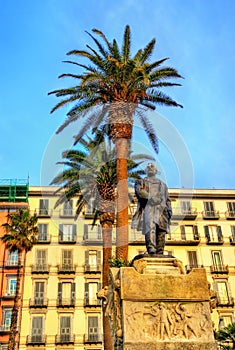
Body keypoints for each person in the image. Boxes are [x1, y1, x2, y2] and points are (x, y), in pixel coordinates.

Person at [131, 163, 172, 254]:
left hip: (162, 210)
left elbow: (167, 199)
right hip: (149, 207)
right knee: (150, 227)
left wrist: (169, 211)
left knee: (161, 230)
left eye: (152, 166)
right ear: (145, 171)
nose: (150, 168)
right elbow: (139, 192)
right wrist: (151, 197)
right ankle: (151, 248)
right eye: (148, 167)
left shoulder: (163, 185)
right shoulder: (141, 181)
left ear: (156, 171)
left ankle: (160, 250)